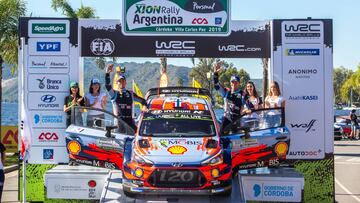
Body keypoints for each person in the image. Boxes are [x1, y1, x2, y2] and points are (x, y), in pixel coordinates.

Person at [105, 64, 147, 132]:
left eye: (123, 81)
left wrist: (144, 107)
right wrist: (107, 73)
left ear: (125, 83)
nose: (121, 82)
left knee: (136, 136)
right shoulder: (114, 93)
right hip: (119, 122)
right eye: (119, 81)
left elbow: (143, 101)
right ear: (117, 83)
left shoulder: (131, 94)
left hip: (130, 121)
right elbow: (107, 86)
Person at [213, 62, 253, 133]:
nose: (234, 84)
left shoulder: (243, 94)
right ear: (230, 83)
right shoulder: (226, 92)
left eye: (236, 82)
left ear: (239, 83)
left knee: (237, 139)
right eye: (232, 82)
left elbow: (250, 107)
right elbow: (216, 85)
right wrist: (215, 73)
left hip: (237, 119)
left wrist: (248, 110)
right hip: (226, 119)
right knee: (223, 137)